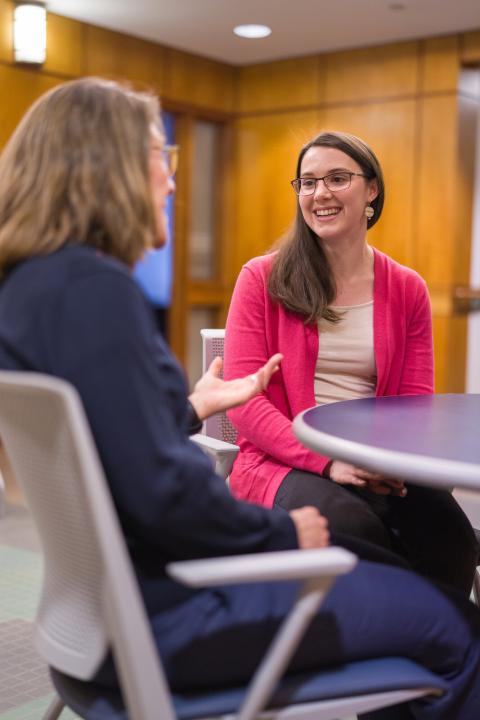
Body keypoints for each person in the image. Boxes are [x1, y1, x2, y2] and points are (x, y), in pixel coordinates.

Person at [0, 79, 480, 720]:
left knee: (421, 547)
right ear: (104, 165)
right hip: (178, 612)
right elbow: (166, 492)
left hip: (96, 618)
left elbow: (115, 447)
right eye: (157, 156)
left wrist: (192, 407)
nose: (170, 182)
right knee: (460, 628)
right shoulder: (95, 294)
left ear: (371, 192)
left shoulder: (30, 291)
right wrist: (280, 531)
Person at [224, 130, 478, 597]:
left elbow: (414, 407)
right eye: (307, 182)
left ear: (372, 189)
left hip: (376, 460)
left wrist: (389, 463)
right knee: (353, 530)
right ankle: (374, 651)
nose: (319, 193)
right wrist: (327, 462)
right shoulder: (261, 278)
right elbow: (245, 404)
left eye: (337, 178)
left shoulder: (407, 288)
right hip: (283, 461)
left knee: (452, 541)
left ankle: (435, 654)